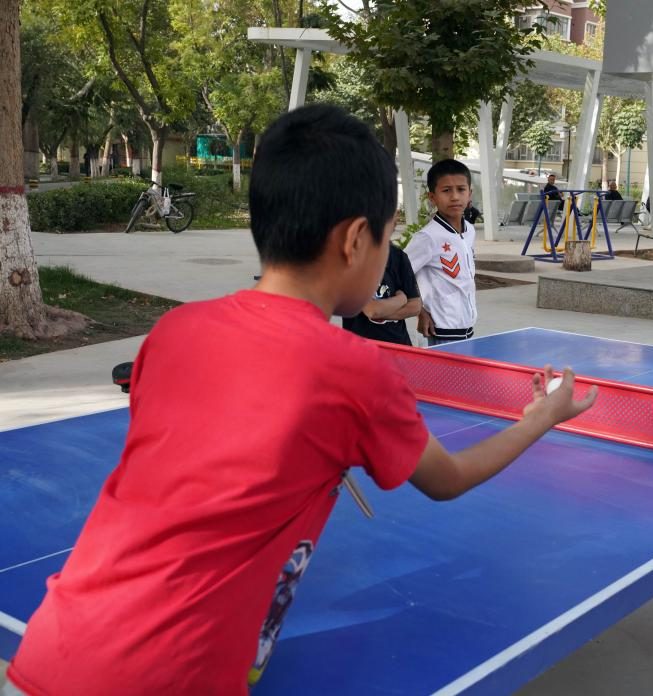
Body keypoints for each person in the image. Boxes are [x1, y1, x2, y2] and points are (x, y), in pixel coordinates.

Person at [3, 104, 598, 696]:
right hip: (170, 677)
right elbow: (449, 478)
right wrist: (542, 416)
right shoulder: (356, 369)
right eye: (386, 237)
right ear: (356, 239)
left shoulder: (174, 329)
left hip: (55, 644)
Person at [406, 159, 478, 345]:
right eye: (446, 190)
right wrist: (419, 310)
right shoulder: (427, 237)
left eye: (461, 189)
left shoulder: (470, 230)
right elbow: (399, 273)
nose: (455, 197)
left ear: (469, 193)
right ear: (432, 197)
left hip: (467, 329)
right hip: (439, 333)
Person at [342, 242, 421, 345]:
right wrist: (401, 299)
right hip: (363, 347)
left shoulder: (399, 256)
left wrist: (381, 311)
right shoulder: (353, 257)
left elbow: (415, 306)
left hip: (400, 346)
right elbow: (371, 310)